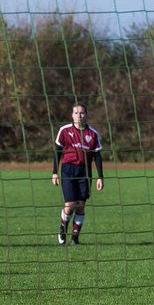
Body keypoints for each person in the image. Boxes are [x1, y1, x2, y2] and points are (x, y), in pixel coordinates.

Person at [52, 103, 105, 246]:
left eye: (81, 113)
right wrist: (54, 173)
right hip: (68, 170)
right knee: (69, 205)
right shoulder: (64, 131)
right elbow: (57, 152)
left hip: (85, 171)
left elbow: (97, 156)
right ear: (72, 115)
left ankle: (75, 238)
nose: (79, 115)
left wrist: (101, 177)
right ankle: (63, 227)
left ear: (86, 115)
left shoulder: (92, 133)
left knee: (81, 205)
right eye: (76, 113)